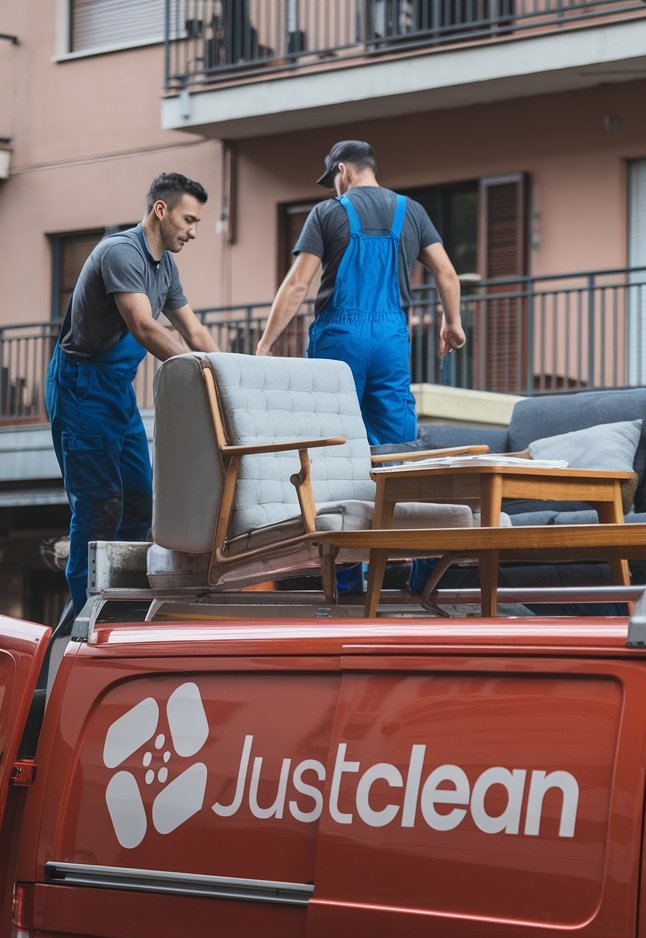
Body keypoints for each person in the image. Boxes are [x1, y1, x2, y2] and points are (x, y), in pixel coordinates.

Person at [46, 171, 217, 613]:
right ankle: (84, 611)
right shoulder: (121, 252)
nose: (193, 232)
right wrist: (199, 376)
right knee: (100, 505)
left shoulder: (167, 268)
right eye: (189, 220)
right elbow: (143, 327)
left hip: (117, 392)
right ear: (161, 210)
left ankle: (120, 604)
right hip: (81, 386)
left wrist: (229, 374)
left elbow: (194, 330)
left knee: (140, 500)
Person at [254, 139, 466, 447]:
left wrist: (265, 344)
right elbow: (446, 272)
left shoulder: (326, 213)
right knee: (395, 440)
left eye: (333, 182)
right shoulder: (413, 213)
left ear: (343, 170)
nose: (334, 190)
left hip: (340, 336)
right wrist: (452, 322)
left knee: (330, 431)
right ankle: (389, 494)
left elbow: (298, 282)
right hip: (389, 338)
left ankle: (332, 495)